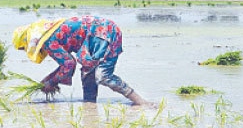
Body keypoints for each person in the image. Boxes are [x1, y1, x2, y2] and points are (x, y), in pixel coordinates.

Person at [12, 15, 150, 105]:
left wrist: (51, 82)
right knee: (87, 74)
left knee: (103, 76)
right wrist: (48, 80)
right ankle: (90, 108)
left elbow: (68, 65)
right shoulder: (48, 35)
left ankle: (141, 102)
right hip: (100, 32)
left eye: (23, 48)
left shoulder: (47, 41)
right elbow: (66, 63)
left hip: (102, 33)